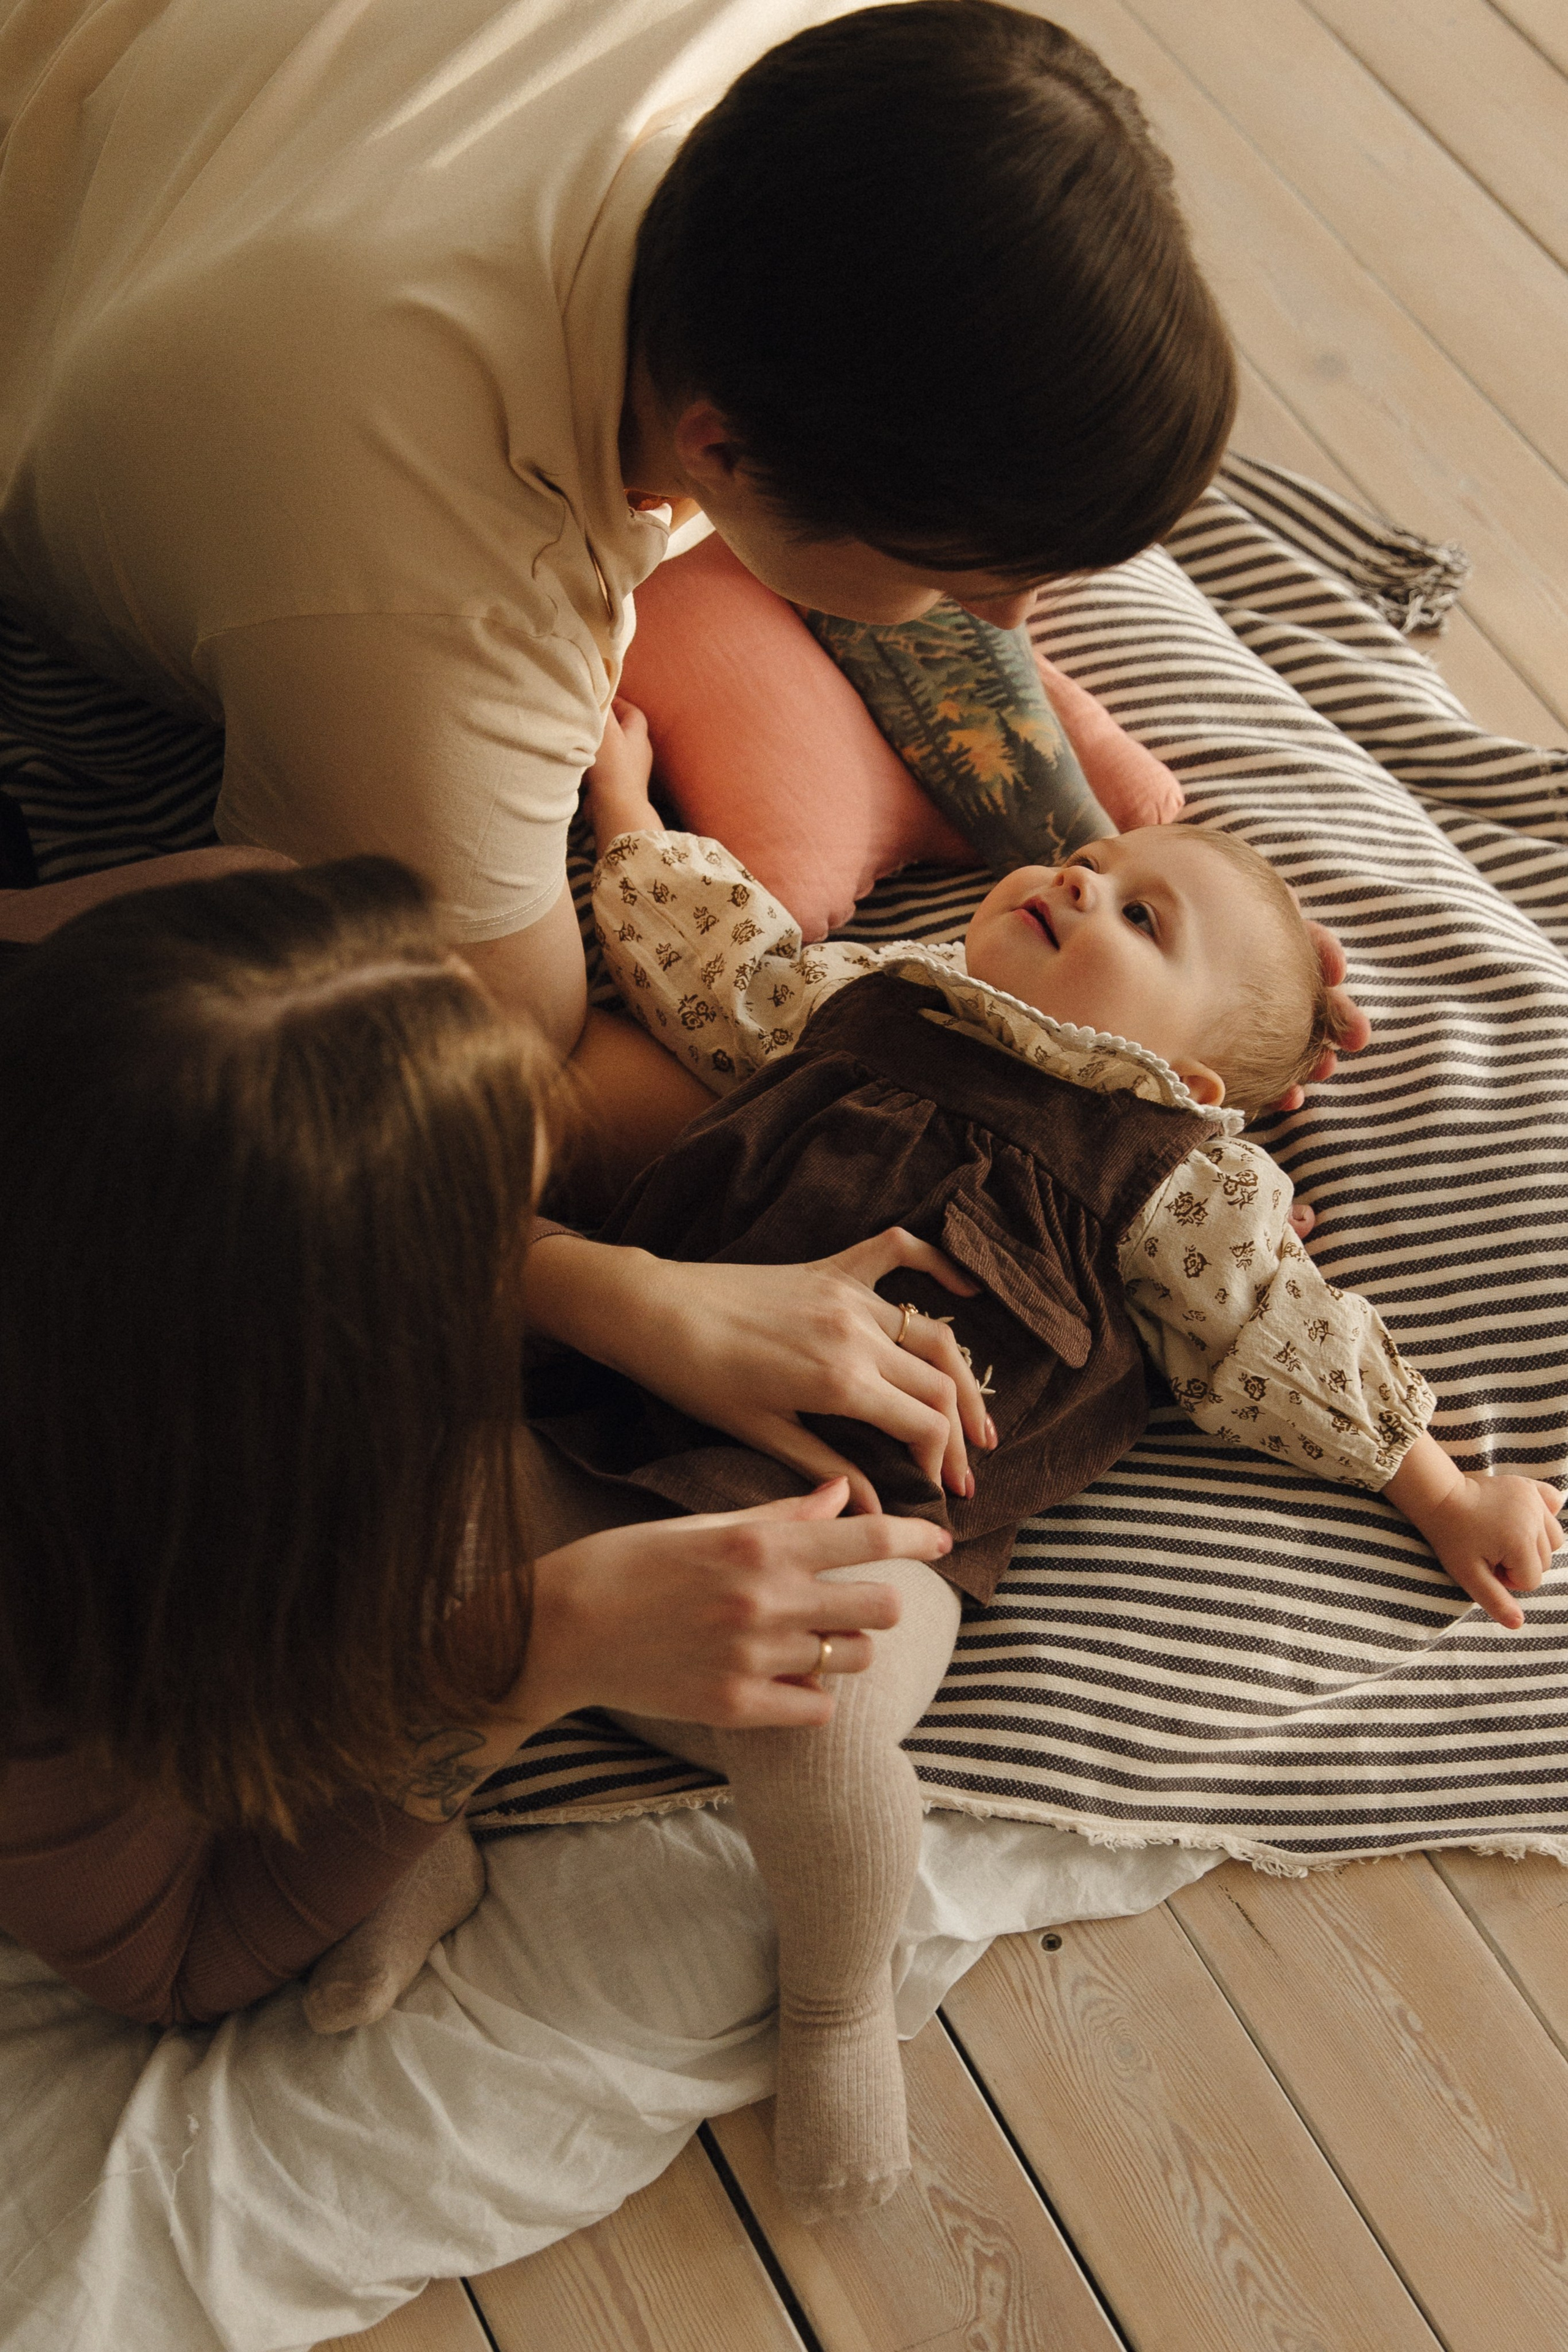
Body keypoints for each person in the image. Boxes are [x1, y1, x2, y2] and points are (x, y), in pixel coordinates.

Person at [508, 712, 1564, 2222]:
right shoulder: (869, 998)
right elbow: (715, 962)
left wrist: (1443, 1488)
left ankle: (831, 2012)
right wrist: (624, 808)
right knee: (425, 1521)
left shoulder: (1177, 1176)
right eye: (1081, 863)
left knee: (834, 1719)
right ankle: (405, 1845)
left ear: (1198, 1073)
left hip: (858, 1524)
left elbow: (1281, 1335)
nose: (1074, 885)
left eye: (1139, 917)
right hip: (600, 1420)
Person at [0, 0, 1289, 1178]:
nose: (1010, 624)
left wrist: (1235, 972)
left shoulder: (865, 90)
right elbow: (487, 1064)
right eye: (954, 579)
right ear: (718, 452)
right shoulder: (443, 607)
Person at [0, 853, 1003, 2030]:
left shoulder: (203, 1019)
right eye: (482, 1242)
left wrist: (624, 1294)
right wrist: (529, 1655)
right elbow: (174, 1966)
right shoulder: (58, 1632)